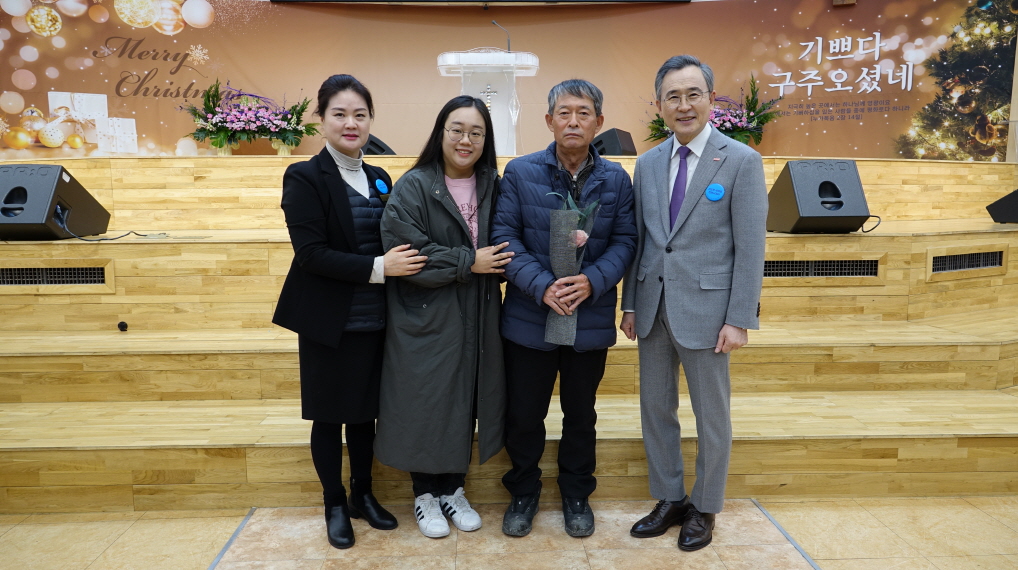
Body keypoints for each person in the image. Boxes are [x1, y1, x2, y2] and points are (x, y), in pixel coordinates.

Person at [272, 74, 427, 550]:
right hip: (328, 320)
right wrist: (381, 268)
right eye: (339, 114)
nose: (350, 123)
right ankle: (334, 502)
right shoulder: (304, 177)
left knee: (364, 415)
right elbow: (311, 255)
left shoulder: (380, 176)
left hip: (376, 318)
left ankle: (363, 494)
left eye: (360, 114)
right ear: (321, 119)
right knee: (329, 417)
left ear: (370, 120)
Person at [621, 55, 767, 551]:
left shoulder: (741, 160)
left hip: (709, 312)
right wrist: (630, 304)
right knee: (656, 409)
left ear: (710, 99)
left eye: (693, 94)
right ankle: (669, 497)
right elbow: (641, 240)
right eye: (673, 97)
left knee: (712, 416)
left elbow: (751, 248)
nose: (683, 105)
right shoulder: (647, 163)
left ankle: (704, 506)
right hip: (653, 305)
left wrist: (739, 318)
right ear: (660, 105)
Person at [492, 79, 637, 538]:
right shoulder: (520, 172)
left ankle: (576, 494)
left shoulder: (616, 179)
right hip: (530, 317)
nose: (573, 121)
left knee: (581, 414)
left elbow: (626, 241)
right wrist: (542, 287)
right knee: (524, 414)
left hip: (588, 318)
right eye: (564, 113)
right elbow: (505, 237)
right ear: (549, 120)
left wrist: (592, 281)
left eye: (583, 113)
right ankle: (524, 491)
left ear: (598, 121)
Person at [374, 95, 511, 539]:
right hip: (426, 314)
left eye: (476, 132)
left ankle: (453, 489)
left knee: (465, 397)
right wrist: (469, 261)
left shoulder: (494, 184)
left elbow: (510, 240)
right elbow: (408, 254)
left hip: (480, 312)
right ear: (441, 132)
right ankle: (425, 495)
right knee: (426, 400)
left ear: (486, 140)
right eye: (457, 129)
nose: (465, 140)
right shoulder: (414, 185)